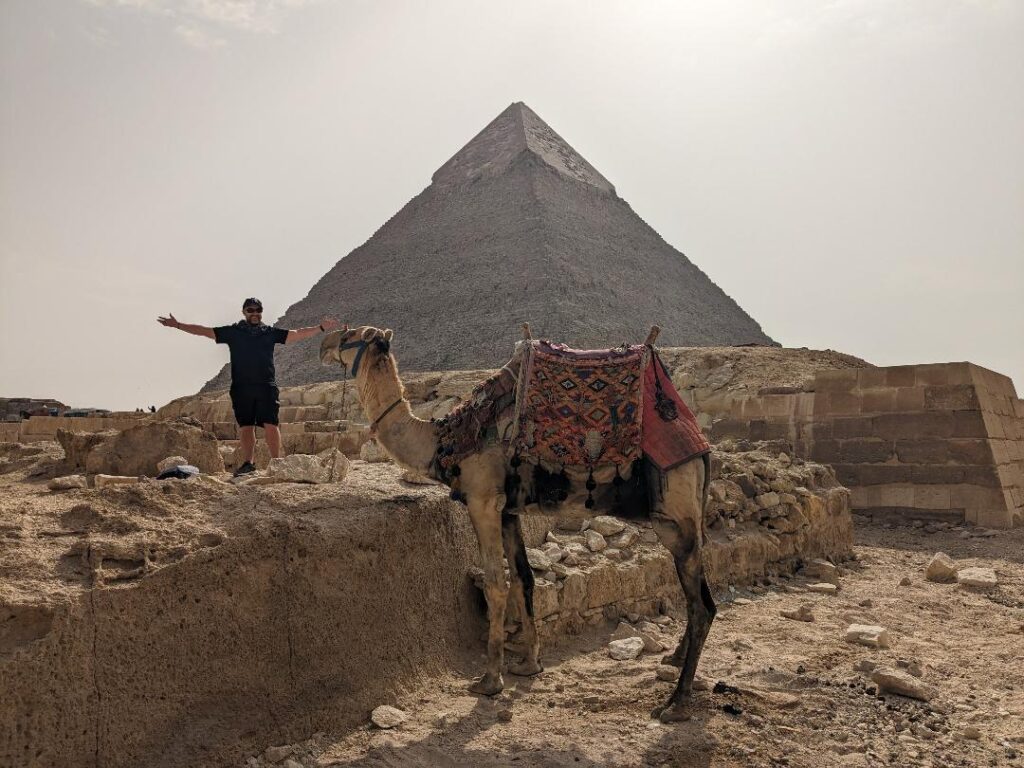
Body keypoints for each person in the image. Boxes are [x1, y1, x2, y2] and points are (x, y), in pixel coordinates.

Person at [158, 298, 339, 476]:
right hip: (241, 387)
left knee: (270, 424)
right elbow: (205, 331)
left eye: (257, 310)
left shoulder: (269, 332)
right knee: (246, 426)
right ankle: (248, 463)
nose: (255, 313)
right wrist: (178, 325)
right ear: (244, 312)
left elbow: (297, 333)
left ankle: (277, 462)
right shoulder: (234, 332)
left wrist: (320, 328)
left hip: (266, 386)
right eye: (250, 310)